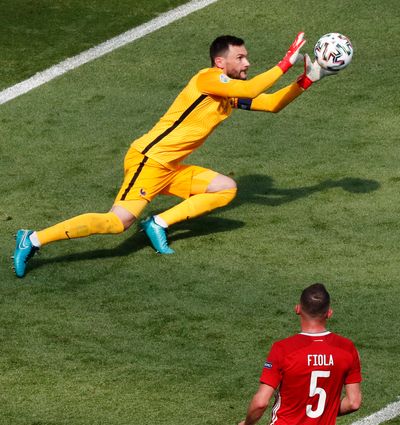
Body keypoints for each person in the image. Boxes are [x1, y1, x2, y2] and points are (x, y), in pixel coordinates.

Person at [13, 33, 334, 277]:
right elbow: (251, 90)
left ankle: (159, 223)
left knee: (225, 188)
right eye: (241, 58)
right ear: (221, 62)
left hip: (170, 166)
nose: (247, 64)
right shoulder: (208, 80)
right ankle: (33, 238)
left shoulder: (228, 95)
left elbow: (270, 103)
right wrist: (285, 62)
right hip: (148, 161)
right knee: (117, 222)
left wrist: (307, 79)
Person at [236, 283, 362, 425]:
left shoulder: (283, 349)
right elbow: (353, 402)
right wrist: (324, 410)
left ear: (297, 309)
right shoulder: (347, 349)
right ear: (329, 313)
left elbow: (260, 403)